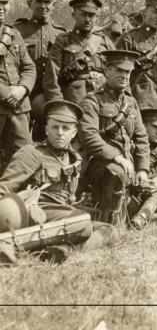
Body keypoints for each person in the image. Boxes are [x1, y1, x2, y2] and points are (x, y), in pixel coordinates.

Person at [0, 100, 116, 264]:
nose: (60, 132)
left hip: (63, 211)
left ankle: (61, 251)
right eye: (54, 127)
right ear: (47, 129)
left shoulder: (74, 157)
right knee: (82, 223)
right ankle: (15, 245)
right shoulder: (31, 154)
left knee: (108, 229)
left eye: (65, 128)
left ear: (74, 132)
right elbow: (4, 188)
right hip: (37, 213)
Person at [78, 50, 150, 227]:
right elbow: (89, 135)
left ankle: (135, 215)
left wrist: (143, 168)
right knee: (115, 173)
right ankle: (109, 224)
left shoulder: (130, 102)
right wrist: (116, 157)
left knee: (154, 183)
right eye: (120, 71)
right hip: (98, 162)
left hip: (128, 162)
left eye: (128, 72)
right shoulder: (92, 100)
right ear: (108, 70)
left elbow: (141, 137)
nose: (125, 76)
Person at [14, 0, 66, 141]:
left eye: (47, 2)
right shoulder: (18, 30)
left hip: (50, 95)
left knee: (48, 141)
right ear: (29, 3)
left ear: (54, 5)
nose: (43, 6)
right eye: (39, 2)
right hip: (22, 94)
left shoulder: (61, 33)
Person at [44, 0, 115, 105]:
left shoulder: (105, 42)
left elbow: (119, 71)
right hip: (75, 99)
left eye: (91, 15)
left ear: (96, 18)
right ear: (74, 15)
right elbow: (51, 77)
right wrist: (57, 103)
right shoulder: (63, 41)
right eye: (83, 15)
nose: (87, 19)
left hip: (103, 97)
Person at [116, 0, 157, 110]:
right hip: (137, 105)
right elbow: (118, 73)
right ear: (145, 10)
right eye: (155, 12)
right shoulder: (129, 38)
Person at [0, 0, 36, 166]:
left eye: (4, 3)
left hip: (19, 109)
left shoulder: (13, 33)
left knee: (24, 159)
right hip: (3, 103)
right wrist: (7, 93)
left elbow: (29, 67)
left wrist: (22, 89)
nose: (1, 8)